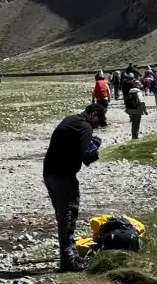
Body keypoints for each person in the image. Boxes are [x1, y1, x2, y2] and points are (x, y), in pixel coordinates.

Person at [43, 103, 106, 272]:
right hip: (62, 175)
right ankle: (68, 260)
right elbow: (83, 155)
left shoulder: (70, 120)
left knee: (63, 214)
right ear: (93, 114)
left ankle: (70, 254)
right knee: (67, 215)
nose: (97, 125)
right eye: (98, 121)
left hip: (50, 172)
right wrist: (95, 152)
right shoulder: (85, 127)